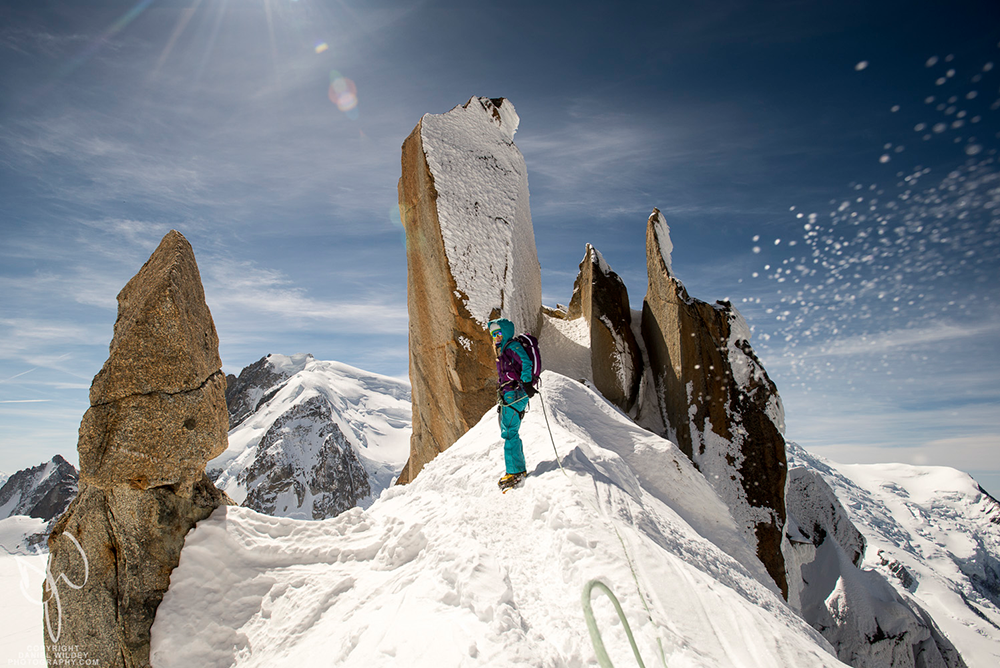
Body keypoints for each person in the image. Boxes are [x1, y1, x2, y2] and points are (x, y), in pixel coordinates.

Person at [488, 318, 532, 489]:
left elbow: (525, 362)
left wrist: (527, 383)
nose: (496, 337)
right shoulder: (505, 349)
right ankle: (517, 469)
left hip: (515, 393)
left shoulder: (512, 346)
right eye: (493, 334)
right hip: (511, 393)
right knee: (509, 430)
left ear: (505, 332)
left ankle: (515, 472)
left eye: (499, 333)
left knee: (509, 432)